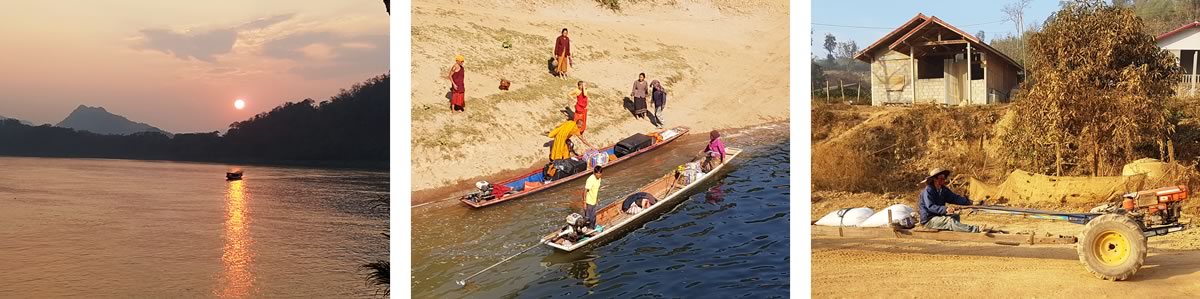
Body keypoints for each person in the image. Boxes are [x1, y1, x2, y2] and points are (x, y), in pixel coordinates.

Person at [918, 168, 991, 233]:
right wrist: (946, 209)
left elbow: (955, 198)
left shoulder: (943, 190)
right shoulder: (928, 191)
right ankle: (975, 229)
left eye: (944, 178)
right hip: (929, 220)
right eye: (941, 178)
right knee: (950, 221)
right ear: (934, 179)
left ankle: (952, 227)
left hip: (939, 216)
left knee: (956, 216)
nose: (943, 180)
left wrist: (971, 202)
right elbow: (931, 206)